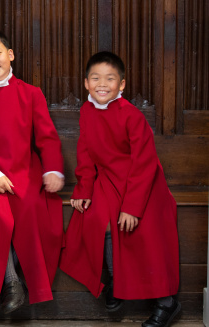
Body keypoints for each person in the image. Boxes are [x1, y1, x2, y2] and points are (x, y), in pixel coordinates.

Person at [59, 51, 180, 327]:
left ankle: (166, 301)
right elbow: (86, 153)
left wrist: (132, 207)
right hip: (108, 180)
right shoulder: (87, 111)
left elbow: (145, 164)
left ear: (121, 85)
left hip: (142, 185)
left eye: (110, 79)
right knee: (93, 219)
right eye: (96, 78)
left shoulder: (131, 116)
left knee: (142, 230)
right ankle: (114, 278)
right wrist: (83, 189)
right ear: (86, 83)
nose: (102, 84)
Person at [0, 27, 65, 314]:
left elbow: (47, 138)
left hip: (23, 169)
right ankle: (10, 283)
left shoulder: (31, 94)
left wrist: (53, 170)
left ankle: (27, 280)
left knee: (31, 211)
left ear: (10, 55)